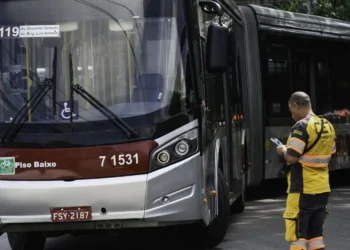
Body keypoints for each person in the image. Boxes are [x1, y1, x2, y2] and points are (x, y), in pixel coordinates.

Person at [276, 91, 336, 250]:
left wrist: (282, 150)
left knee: (297, 236)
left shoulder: (301, 126)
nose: (292, 114)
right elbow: (331, 153)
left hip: (303, 188)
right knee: (316, 236)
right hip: (322, 188)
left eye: (291, 110)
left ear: (296, 106)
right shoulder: (327, 125)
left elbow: (292, 157)